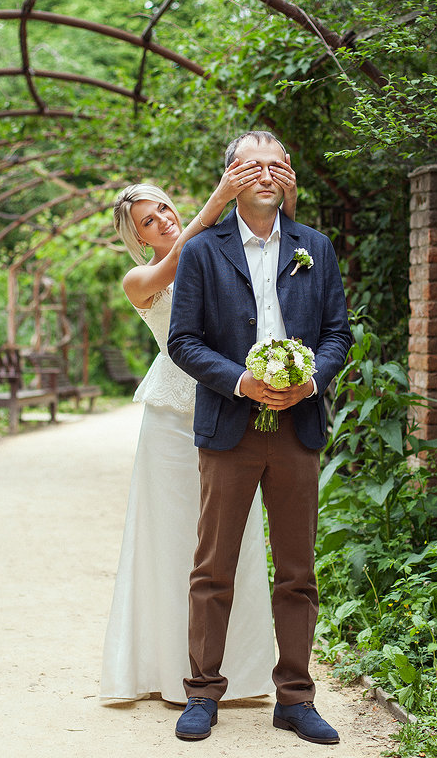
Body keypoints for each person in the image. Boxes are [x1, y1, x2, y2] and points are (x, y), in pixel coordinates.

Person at [167, 131, 352, 744]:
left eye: (278, 164)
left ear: (290, 177)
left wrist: (310, 382)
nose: (266, 174)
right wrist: (243, 381)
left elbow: (337, 335)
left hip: (297, 427)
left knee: (297, 570)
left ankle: (296, 699)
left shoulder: (316, 248)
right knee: (213, 566)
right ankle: (201, 694)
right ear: (231, 177)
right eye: (252, 165)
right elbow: (184, 342)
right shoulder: (201, 252)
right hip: (229, 426)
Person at [100, 157, 299, 704]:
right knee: (173, 544)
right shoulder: (141, 278)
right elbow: (177, 261)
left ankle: (242, 671)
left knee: (231, 544)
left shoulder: (217, 251)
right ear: (137, 239)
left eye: (163, 206)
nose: (161, 218)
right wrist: (216, 199)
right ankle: (172, 673)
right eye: (147, 220)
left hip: (229, 412)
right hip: (170, 425)